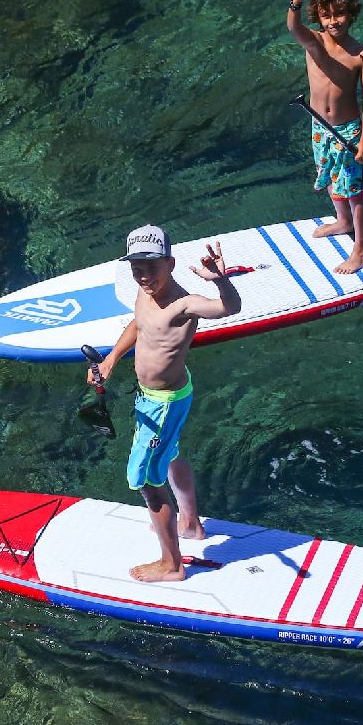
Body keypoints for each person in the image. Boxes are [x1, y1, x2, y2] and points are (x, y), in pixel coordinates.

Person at [87, 225, 241, 583]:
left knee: (146, 480)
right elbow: (139, 326)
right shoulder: (144, 292)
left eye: (151, 266)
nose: (142, 274)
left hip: (164, 403)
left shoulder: (184, 304)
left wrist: (220, 279)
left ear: (170, 263)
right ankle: (191, 522)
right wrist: (110, 361)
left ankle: (172, 565)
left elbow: (229, 307)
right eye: (136, 266)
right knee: (170, 453)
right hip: (156, 397)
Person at [287, 0, 363, 274]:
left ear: (351, 14)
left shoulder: (360, 55)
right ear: (319, 17)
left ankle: (362, 249)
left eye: (339, 14)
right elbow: (293, 27)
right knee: (328, 178)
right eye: (326, 16)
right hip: (319, 127)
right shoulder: (315, 44)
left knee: (353, 191)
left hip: (348, 131)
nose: (333, 21)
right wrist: (295, 3)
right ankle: (343, 221)